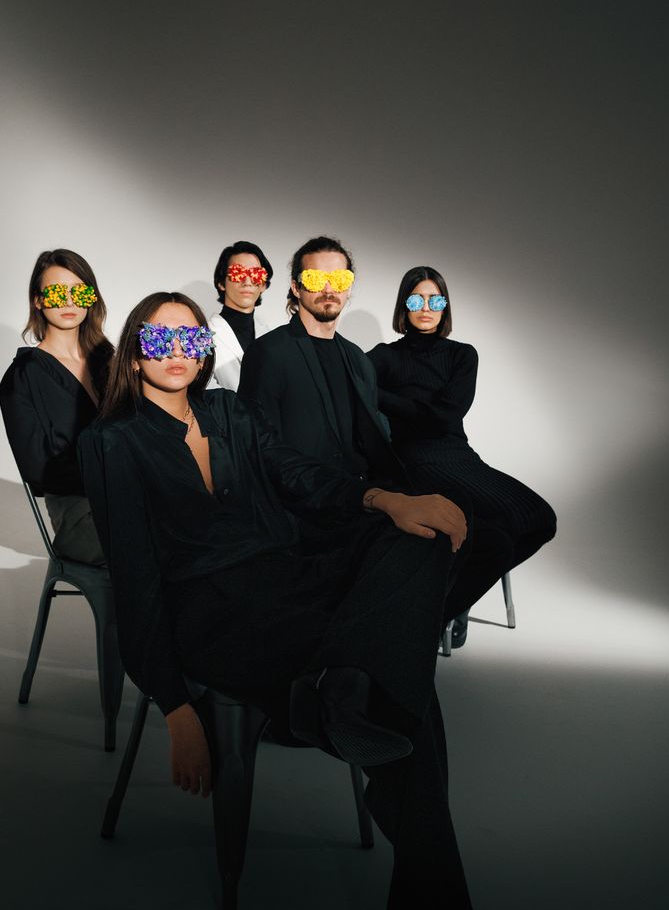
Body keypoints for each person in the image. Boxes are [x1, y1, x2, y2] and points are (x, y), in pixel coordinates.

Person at [78, 290, 473, 909]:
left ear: (208, 350)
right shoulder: (112, 441)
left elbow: (298, 474)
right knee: (406, 695)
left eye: (192, 339)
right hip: (211, 613)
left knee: (414, 537)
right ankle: (433, 890)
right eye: (159, 340)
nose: (178, 351)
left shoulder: (232, 412)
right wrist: (176, 708)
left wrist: (385, 498)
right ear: (133, 355)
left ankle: (344, 681)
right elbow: (134, 574)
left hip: (287, 578)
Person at [237, 235, 507, 621]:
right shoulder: (269, 353)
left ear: (350, 288)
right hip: (310, 507)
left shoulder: (355, 359)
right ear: (295, 287)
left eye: (340, 279)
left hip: (362, 493)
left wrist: (412, 493)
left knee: (488, 539)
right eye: (316, 279)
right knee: (421, 549)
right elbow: (266, 455)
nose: (329, 288)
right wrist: (377, 498)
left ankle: (415, 626)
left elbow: (371, 440)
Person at [368, 265, 557, 642]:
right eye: (416, 298)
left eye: (435, 299)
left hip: (459, 455)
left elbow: (448, 416)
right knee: (496, 533)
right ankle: (434, 618)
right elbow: (361, 393)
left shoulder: (461, 355)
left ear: (445, 307)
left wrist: (388, 399)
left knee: (541, 519)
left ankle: (452, 603)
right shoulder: (383, 357)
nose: (426, 307)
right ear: (403, 305)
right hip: (414, 460)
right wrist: (417, 409)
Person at [0, 248, 113, 565]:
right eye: (57, 292)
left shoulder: (109, 361)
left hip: (133, 498)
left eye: (80, 292)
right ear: (37, 300)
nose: (69, 302)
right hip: (78, 513)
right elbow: (38, 470)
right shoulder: (23, 376)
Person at [207, 240, 273, 390]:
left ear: (263, 284)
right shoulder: (204, 336)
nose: (247, 281)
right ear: (221, 283)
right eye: (238, 273)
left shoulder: (270, 335)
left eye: (256, 274)